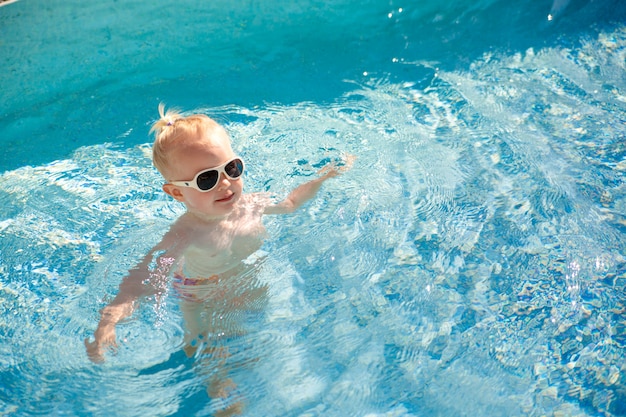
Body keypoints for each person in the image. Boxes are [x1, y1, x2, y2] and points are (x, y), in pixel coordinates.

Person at [84, 103, 352, 414]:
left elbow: (291, 203)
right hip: (198, 292)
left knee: (254, 338)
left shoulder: (251, 205)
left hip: (241, 277)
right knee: (204, 343)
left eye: (232, 168)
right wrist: (110, 319)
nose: (225, 183)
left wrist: (324, 177)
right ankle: (217, 385)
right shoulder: (185, 234)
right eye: (206, 180)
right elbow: (146, 277)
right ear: (176, 193)